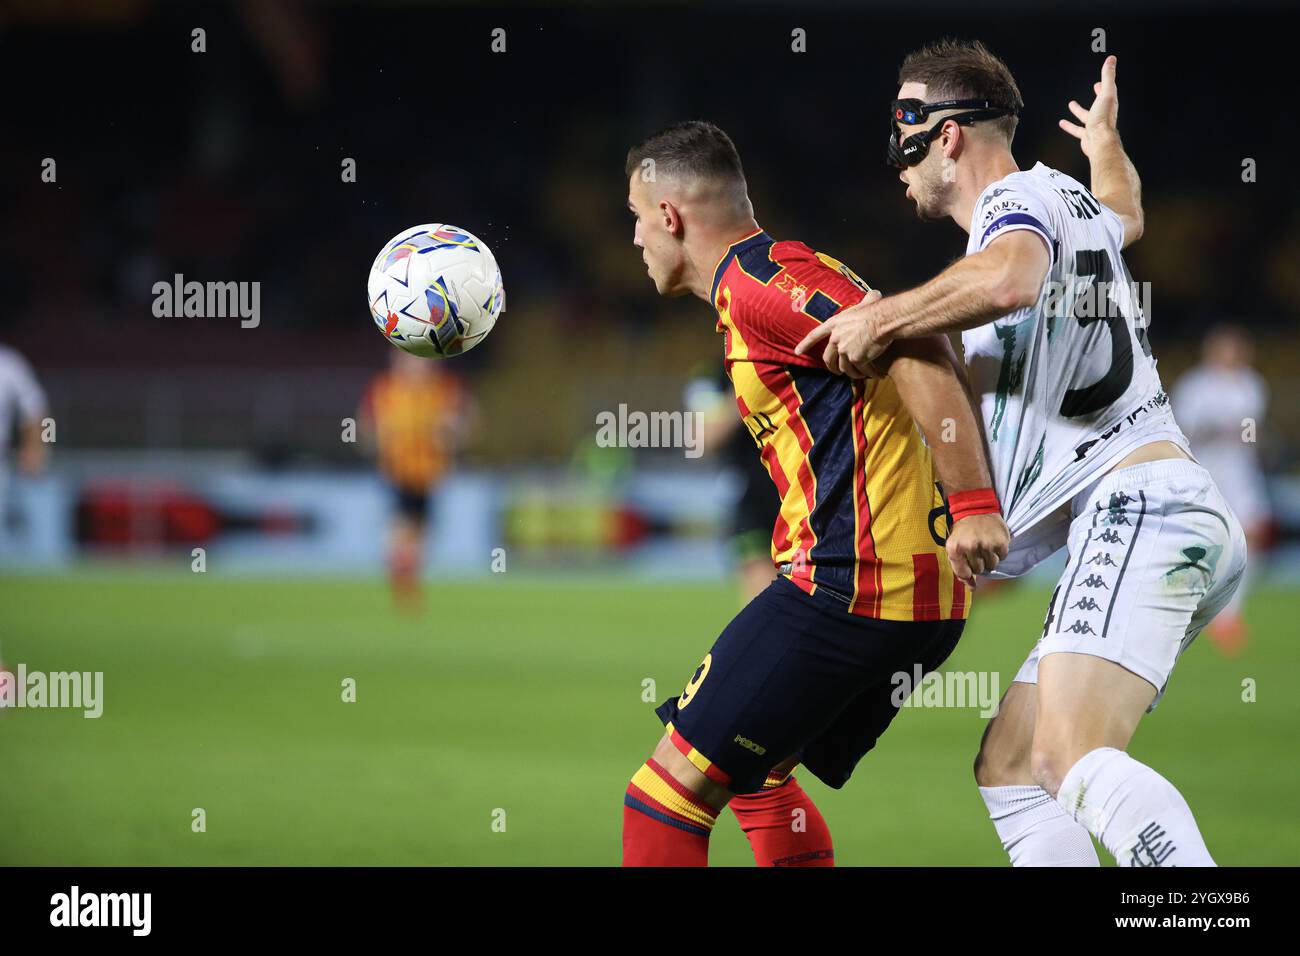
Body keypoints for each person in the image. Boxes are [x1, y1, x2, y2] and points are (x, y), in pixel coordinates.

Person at [800, 43, 1245, 866]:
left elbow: (1008, 279)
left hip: (1138, 506)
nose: (894, 161)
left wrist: (881, 318)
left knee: (1065, 758)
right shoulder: (1065, 196)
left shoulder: (1013, 205)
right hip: (1161, 511)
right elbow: (1127, 214)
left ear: (948, 136)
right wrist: (1107, 147)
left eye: (903, 134)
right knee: (1009, 766)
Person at [621, 120, 1008, 867]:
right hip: (909, 598)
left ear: (669, 216)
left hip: (852, 587)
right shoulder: (764, 282)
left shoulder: (765, 283)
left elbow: (916, 340)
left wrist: (973, 504)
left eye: (637, 220)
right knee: (757, 777)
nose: (635, 240)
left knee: (661, 799)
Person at [1171, 325, 1270, 654]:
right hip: (1205, 472)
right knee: (1201, 539)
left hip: (1240, 473)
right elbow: (1183, 431)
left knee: (1251, 535)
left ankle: (1231, 613)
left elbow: (1251, 432)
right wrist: (1214, 429)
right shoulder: (1194, 386)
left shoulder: (1251, 385)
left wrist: (1239, 434)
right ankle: (1190, 605)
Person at [359, 350, 472, 609]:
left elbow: (468, 420)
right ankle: (401, 574)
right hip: (396, 471)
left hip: (430, 474)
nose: (418, 367)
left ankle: (405, 573)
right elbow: (366, 426)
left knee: (422, 535)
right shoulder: (385, 388)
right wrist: (376, 440)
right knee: (401, 528)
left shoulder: (445, 388)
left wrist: (453, 432)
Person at [683, 363, 781, 601]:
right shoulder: (713, 379)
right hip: (752, 503)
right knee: (764, 602)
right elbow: (702, 441)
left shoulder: (789, 361)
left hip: (801, 497)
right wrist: (748, 388)